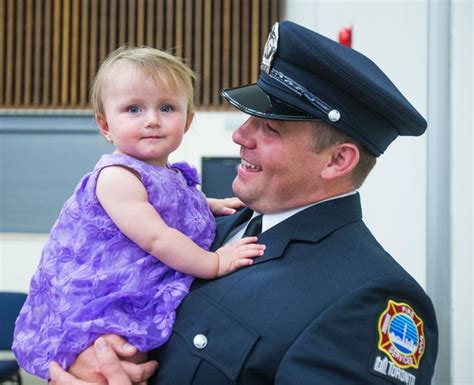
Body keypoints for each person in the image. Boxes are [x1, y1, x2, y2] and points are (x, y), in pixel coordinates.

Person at [53, 21, 439, 384]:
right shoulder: (207, 228)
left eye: (270, 127)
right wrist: (93, 355)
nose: (240, 135)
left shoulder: (369, 299)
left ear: (337, 160)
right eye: (248, 118)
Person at [12, 46, 265, 380]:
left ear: (187, 120)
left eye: (167, 107)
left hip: (130, 292)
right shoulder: (117, 176)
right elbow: (156, 237)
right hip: (99, 303)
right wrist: (214, 263)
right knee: (115, 360)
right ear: (105, 125)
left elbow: (168, 204)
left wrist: (207, 204)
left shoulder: (166, 174)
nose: (152, 120)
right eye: (133, 109)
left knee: (135, 364)